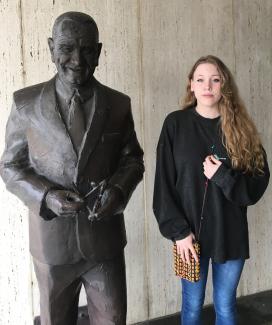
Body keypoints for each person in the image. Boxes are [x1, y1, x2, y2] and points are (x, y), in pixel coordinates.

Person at [0, 11, 144, 325]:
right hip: (52, 245)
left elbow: (133, 159)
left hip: (104, 242)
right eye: (66, 48)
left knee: (113, 319)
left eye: (87, 49)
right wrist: (47, 196)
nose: (77, 60)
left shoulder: (118, 104)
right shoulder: (25, 104)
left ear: (99, 51)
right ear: (51, 48)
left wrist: (119, 191)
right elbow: (10, 166)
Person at [153, 55, 270, 325]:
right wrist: (179, 232)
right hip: (189, 239)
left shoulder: (241, 130)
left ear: (224, 86)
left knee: (226, 307)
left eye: (215, 80)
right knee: (192, 308)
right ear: (191, 85)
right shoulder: (175, 125)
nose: (208, 86)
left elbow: (254, 188)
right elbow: (163, 188)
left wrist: (222, 176)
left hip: (230, 235)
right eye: (201, 79)